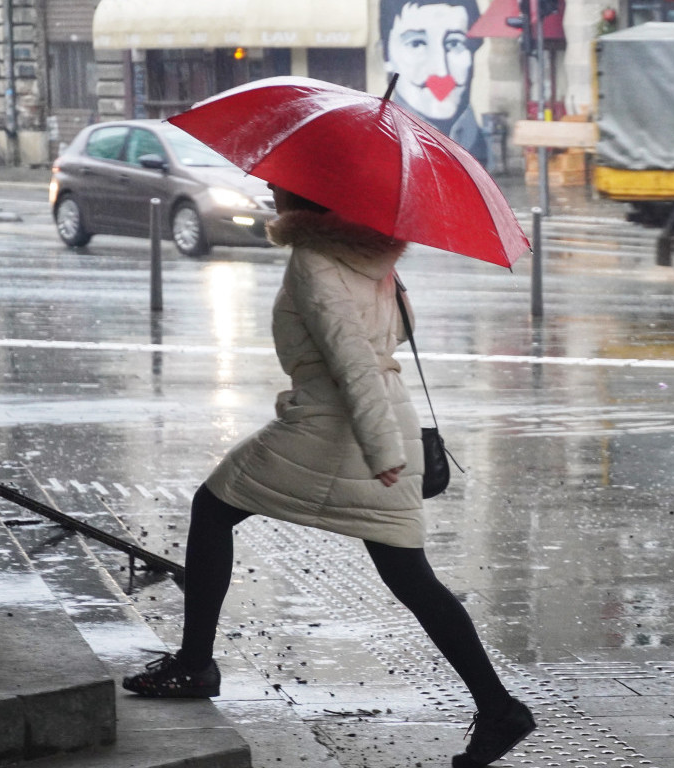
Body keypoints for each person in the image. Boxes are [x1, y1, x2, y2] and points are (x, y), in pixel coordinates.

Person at [122, 184, 535, 766]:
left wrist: (383, 451)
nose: (269, 186)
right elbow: (396, 336)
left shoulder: (315, 258)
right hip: (375, 420)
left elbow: (352, 361)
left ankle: (194, 665)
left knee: (212, 508)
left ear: (304, 191)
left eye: (278, 183)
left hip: (338, 428)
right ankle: (499, 709)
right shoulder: (373, 254)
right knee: (411, 577)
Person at [380, 0, 490, 166]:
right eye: (417, 43)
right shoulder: (382, 150)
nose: (441, 71)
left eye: (454, 43)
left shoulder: (480, 151)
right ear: (386, 55)